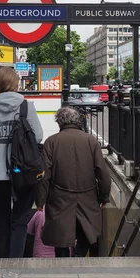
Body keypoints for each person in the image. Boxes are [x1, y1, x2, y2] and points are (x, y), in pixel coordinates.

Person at [0, 67, 43, 258]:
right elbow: (38, 136)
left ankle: (2, 259)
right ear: (16, 84)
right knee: (21, 218)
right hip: (23, 169)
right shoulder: (25, 106)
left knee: (2, 217)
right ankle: (16, 260)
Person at [36, 107, 111, 258]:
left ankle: (63, 264)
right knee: (86, 230)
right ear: (78, 121)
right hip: (88, 196)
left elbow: (44, 175)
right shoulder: (91, 141)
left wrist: (40, 201)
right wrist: (104, 196)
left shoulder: (51, 142)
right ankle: (79, 257)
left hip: (59, 198)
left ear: (59, 122)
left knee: (60, 236)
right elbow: (102, 172)